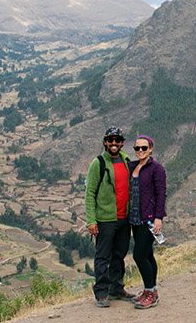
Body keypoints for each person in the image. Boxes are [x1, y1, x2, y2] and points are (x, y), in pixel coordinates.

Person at [85, 126, 135, 307]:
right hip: (105, 220)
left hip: (124, 219)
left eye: (117, 140)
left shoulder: (126, 160)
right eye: (111, 140)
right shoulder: (98, 163)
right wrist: (91, 220)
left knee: (119, 255)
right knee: (102, 257)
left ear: (122, 143)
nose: (114, 143)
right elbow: (90, 193)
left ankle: (116, 288)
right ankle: (101, 293)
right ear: (105, 142)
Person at [128, 134, 167, 309]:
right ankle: (151, 290)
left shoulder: (156, 169)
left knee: (139, 255)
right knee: (148, 255)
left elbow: (161, 194)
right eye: (137, 148)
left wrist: (159, 217)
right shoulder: (133, 166)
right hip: (135, 218)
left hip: (149, 219)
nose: (141, 151)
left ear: (150, 149)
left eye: (144, 148)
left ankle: (150, 292)